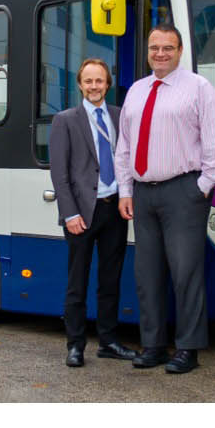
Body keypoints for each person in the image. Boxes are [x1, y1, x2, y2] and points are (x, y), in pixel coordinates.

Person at [112, 22, 215, 374]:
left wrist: (201, 188)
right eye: (154, 48)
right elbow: (124, 147)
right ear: (148, 51)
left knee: (185, 273)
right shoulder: (136, 90)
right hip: (143, 194)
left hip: (183, 191)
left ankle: (188, 348)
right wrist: (126, 190)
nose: (160, 53)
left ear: (180, 51)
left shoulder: (198, 88)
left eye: (167, 48)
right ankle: (153, 345)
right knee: (147, 274)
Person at [49, 58, 141, 367]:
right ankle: (75, 345)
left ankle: (109, 341)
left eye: (99, 81)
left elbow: (126, 160)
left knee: (110, 280)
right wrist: (70, 213)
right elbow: (60, 174)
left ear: (107, 84)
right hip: (82, 214)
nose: (93, 87)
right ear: (79, 85)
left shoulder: (119, 115)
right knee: (77, 281)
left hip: (114, 208)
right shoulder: (65, 120)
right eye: (88, 81)